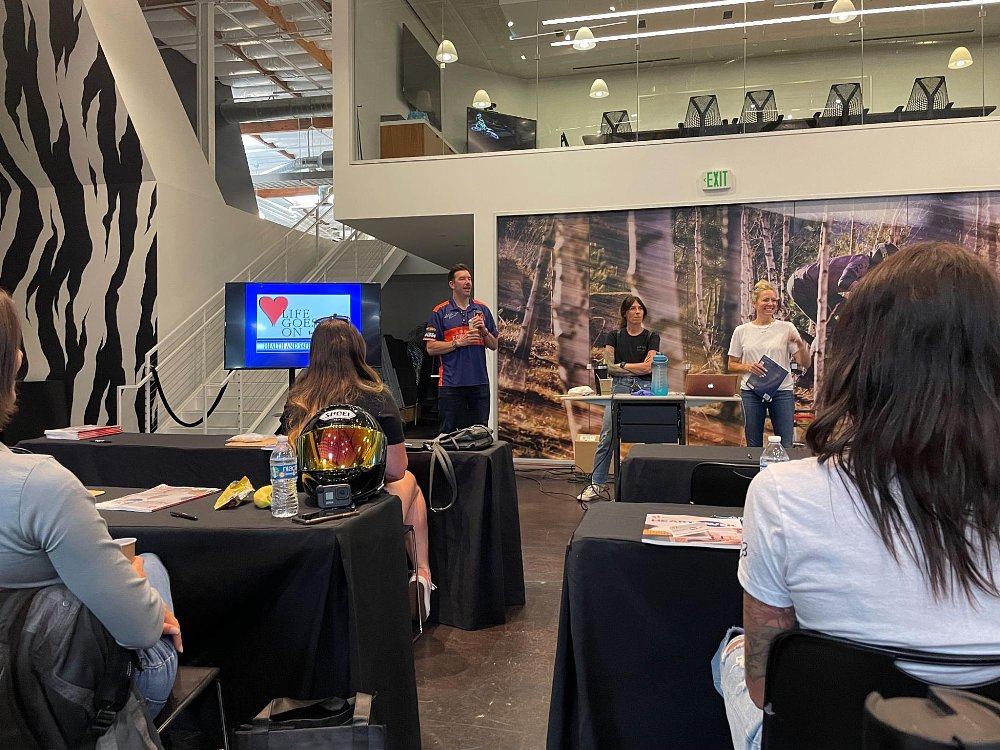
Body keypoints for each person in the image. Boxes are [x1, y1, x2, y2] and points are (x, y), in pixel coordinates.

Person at [713, 243, 1000, 750]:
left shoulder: (782, 495)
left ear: (858, 356)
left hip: (836, 735)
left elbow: (763, 690)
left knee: (733, 652)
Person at [0, 289, 180, 719]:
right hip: (43, 703)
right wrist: (139, 584)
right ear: (15, 363)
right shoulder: (41, 487)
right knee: (148, 564)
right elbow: (138, 632)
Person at [282, 317, 433, 618]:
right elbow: (395, 469)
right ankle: (422, 575)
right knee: (411, 482)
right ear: (358, 351)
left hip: (312, 502)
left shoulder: (298, 399)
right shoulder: (376, 396)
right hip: (361, 504)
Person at [578, 295, 660, 502]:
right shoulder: (613, 336)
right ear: (625, 313)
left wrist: (623, 365)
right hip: (619, 388)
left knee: (648, 438)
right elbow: (610, 367)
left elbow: (649, 366)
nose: (637, 312)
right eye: (632, 308)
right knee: (608, 436)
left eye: (640, 308)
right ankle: (597, 484)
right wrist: (630, 367)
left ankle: (648, 487)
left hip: (646, 388)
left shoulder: (652, 336)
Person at [728, 280, 809, 448]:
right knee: (753, 444)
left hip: (781, 392)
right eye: (766, 300)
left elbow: (805, 363)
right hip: (751, 393)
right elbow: (732, 365)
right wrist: (748, 366)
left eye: (774, 300)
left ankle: (783, 474)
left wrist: (800, 345)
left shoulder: (787, 327)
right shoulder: (741, 331)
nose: (771, 304)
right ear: (755, 303)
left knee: (785, 444)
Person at [424, 264, 499, 434]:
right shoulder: (440, 312)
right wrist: (458, 343)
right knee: (448, 433)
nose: (467, 283)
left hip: (479, 382)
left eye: (469, 279)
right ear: (452, 284)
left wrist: (484, 331)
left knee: (480, 433)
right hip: (451, 384)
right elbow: (430, 348)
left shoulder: (482, 309)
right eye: (462, 279)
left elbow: (494, 345)